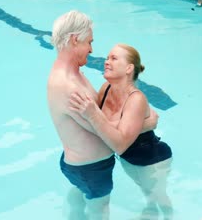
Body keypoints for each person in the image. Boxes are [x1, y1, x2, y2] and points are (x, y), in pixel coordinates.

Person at [47, 11, 157, 220]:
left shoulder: (71, 73)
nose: (91, 49)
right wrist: (146, 123)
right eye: (89, 42)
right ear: (74, 39)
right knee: (100, 211)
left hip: (79, 166)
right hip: (91, 169)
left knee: (80, 197)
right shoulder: (68, 86)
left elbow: (98, 117)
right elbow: (114, 138)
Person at [69, 44, 173, 220]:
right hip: (128, 158)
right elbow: (103, 126)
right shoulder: (106, 88)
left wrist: (146, 124)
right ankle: (150, 207)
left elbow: (110, 130)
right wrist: (146, 124)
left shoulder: (136, 98)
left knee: (159, 196)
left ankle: (169, 217)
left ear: (128, 68)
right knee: (146, 191)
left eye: (113, 58)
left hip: (152, 159)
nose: (106, 62)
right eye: (107, 58)